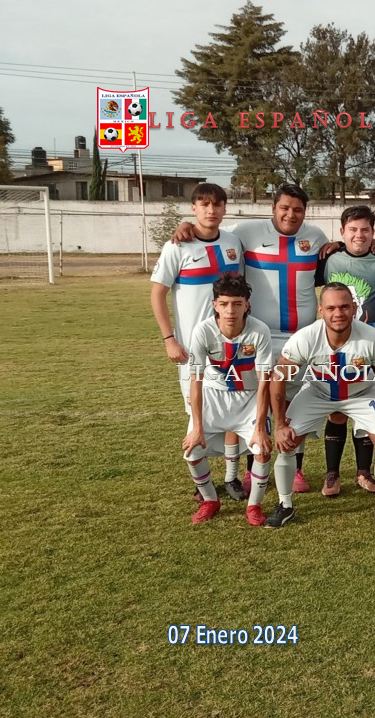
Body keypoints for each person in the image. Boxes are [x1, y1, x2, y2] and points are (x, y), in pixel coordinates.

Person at [173, 184, 330, 496]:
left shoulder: (316, 236)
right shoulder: (246, 231)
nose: (290, 214)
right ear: (273, 208)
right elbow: (211, 230)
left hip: (299, 339)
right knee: (254, 403)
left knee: (294, 405)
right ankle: (249, 470)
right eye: (284, 207)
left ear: (305, 212)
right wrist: (186, 225)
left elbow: (335, 254)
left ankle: (295, 467)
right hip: (259, 337)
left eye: (297, 210)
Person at [271, 283, 375, 528]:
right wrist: (279, 425)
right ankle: (284, 505)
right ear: (320, 310)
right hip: (318, 393)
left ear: (354, 308)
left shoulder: (372, 338)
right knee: (287, 441)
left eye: (344, 307)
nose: (338, 313)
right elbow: (278, 378)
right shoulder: (306, 338)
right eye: (331, 308)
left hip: (361, 394)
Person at [150, 183, 247, 500]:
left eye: (217, 204)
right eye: (204, 204)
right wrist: (169, 339)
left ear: (225, 208)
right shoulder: (177, 247)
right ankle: (201, 480)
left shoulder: (232, 242)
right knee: (197, 411)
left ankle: (232, 477)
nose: (211, 210)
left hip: (231, 344)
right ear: (193, 208)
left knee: (233, 409)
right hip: (192, 349)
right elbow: (157, 294)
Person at [315, 206, 375, 497]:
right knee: (337, 411)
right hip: (333, 350)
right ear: (342, 232)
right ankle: (332, 473)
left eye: (365, 230)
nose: (359, 235)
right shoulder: (328, 259)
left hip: (372, 352)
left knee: (369, 412)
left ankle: (363, 472)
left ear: (373, 233)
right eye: (352, 230)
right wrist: (334, 246)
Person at [182, 273, 275, 526]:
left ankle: (254, 506)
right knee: (192, 451)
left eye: (237, 303)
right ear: (215, 305)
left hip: (249, 398)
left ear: (247, 304)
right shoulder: (203, 331)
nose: (230, 311)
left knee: (262, 450)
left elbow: (264, 381)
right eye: (223, 304)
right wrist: (197, 427)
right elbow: (196, 381)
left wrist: (260, 427)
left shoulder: (260, 330)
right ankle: (210, 500)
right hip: (213, 397)